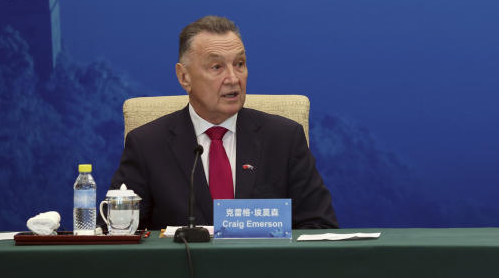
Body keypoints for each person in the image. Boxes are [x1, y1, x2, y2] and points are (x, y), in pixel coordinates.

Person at [109, 16, 338, 229]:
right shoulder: (147, 145)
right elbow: (121, 235)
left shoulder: (284, 139)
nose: (233, 78)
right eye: (217, 67)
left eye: (239, 64)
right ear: (184, 77)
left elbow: (319, 228)